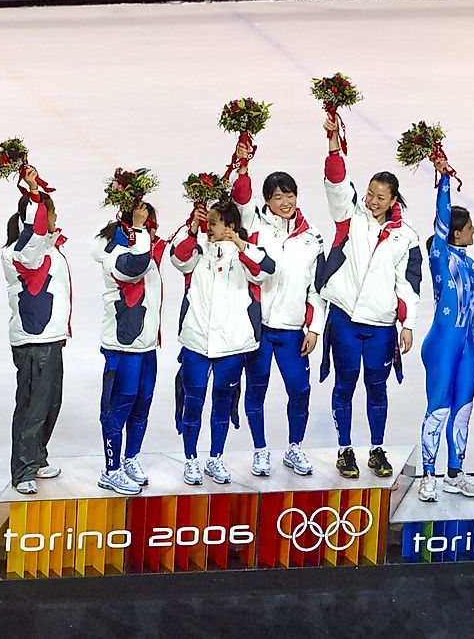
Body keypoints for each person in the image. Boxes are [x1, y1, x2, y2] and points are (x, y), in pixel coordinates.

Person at [318, 113, 422, 479]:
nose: (373, 201)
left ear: (394, 198)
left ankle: (377, 449)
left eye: (381, 197)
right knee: (345, 383)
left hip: (380, 326)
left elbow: (407, 283)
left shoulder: (405, 234)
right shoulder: (350, 217)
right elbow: (335, 183)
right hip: (345, 319)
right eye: (370, 195)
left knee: (377, 388)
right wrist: (333, 140)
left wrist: (406, 325)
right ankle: (345, 450)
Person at [230, 142, 325, 477]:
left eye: (290, 196)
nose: (285, 203)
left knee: (300, 389)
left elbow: (317, 288)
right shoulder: (254, 227)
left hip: (291, 331)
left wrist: (314, 329)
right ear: (268, 201)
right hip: (260, 330)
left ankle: (294, 448)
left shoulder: (312, 238)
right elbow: (240, 199)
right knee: (257, 389)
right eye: (278, 197)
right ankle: (259, 450)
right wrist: (242, 166)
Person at [170, 200, 275, 485]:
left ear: (229, 226)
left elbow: (266, 268)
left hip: (232, 346)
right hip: (196, 342)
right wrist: (192, 228)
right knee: (193, 402)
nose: (208, 226)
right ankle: (190, 459)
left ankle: (215, 458)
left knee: (222, 403)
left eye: (213, 222)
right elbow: (177, 257)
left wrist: (240, 243)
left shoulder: (244, 256)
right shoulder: (198, 252)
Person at [417, 157, 474, 502]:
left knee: (463, 409)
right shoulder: (441, 257)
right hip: (443, 343)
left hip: (466, 345)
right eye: (470, 227)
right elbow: (441, 217)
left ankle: (455, 471)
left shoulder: (469, 263)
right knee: (440, 407)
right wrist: (444, 179)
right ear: (455, 232)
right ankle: (428, 474)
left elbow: (471, 307)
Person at [0, 168, 71, 495]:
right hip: (33, 342)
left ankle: (37, 457)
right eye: (51, 213)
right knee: (32, 406)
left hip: (50, 340)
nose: (54, 218)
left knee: (50, 403)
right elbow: (35, 230)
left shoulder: (46, 250)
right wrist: (34, 193)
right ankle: (23, 469)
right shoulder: (22, 253)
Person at [91, 201, 166, 495]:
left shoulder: (143, 245)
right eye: (148, 222)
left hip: (146, 346)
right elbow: (132, 269)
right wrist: (137, 228)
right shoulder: (114, 252)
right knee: (117, 408)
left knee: (142, 405)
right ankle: (110, 470)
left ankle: (131, 458)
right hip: (122, 347)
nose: (151, 227)